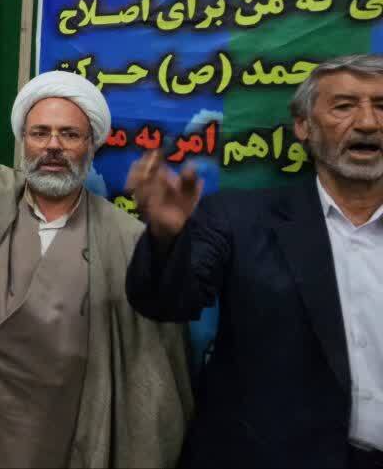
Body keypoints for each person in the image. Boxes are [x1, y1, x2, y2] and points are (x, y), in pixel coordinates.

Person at [0, 54, 192, 468]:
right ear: (23, 140)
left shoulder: (124, 236)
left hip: (72, 427)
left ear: (91, 145)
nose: (53, 146)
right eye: (40, 133)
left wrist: (167, 241)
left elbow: (156, 347)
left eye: (69, 135)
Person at [125, 53, 383, 468]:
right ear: (304, 127)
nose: (368, 122)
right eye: (344, 106)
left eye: (381, 106)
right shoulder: (238, 219)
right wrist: (166, 237)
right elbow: (167, 303)